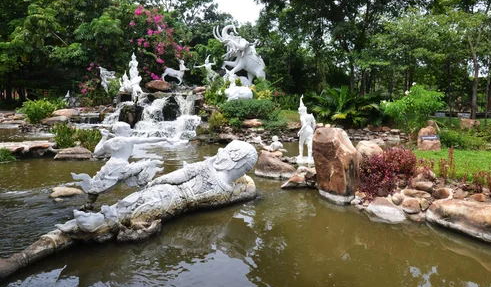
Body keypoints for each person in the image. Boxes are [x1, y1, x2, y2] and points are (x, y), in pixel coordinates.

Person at [58, 141, 258, 234]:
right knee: (139, 212)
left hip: (167, 192)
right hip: (176, 208)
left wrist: (154, 182)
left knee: (131, 205)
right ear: (241, 168)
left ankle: (97, 222)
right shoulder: (225, 192)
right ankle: (101, 223)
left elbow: (174, 177)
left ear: (230, 157)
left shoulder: (205, 167)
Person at [73, 123, 169, 197]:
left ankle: (89, 204)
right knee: (149, 163)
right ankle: (145, 191)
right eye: (127, 130)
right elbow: (148, 140)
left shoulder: (108, 142)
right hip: (123, 167)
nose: (130, 132)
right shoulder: (129, 140)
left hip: (108, 167)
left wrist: (104, 137)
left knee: (96, 186)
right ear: (121, 131)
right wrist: (163, 139)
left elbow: (96, 152)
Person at [297, 96, 316, 161]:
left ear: (301, 111)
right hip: (310, 129)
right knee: (309, 143)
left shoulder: (302, 117)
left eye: (299, 112)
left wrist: (299, 131)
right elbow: (314, 124)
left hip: (304, 130)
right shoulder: (310, 115)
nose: (299, 113)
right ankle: (309, 157)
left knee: (301, 143)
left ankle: (301, 155)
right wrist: (312, 130)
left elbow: (304, 125)